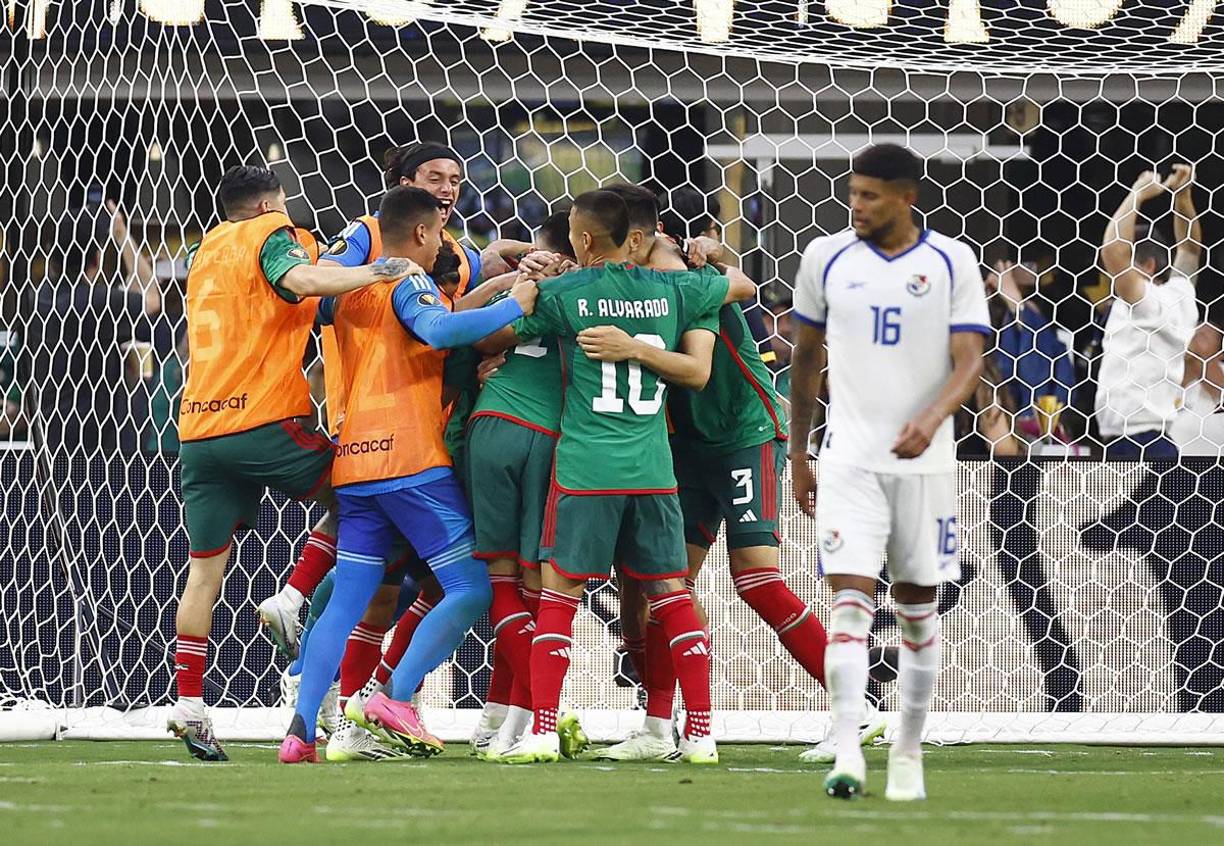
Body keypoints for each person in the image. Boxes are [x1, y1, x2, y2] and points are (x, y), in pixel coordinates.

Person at [493, 189, 752, 765]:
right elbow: (743, 287)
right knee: (672, 595)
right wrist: (706, 258)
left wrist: (523, 274)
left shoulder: (567, 294)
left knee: (559, 597)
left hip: (586, 469)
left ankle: (540, 732)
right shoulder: (674, 290)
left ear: (582, 239)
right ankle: (703, 733)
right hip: (654, 471)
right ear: (634, 238)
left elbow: (502, 328)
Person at [167, 165, 418, 762]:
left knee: (204, 572)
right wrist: (383, 268)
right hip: (264, 421)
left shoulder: (206, 251)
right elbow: (301, 278)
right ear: (266, 205)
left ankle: (189, 706)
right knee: (369, 494)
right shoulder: (271, 233)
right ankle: (295, 599)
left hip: (199, 428)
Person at [279, 186, 538, 763]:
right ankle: (393, 697)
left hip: (355, 462)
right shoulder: (411, 280)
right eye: (441, 234)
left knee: (347, 600)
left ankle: (299, 733)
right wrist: (517, 303)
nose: (445, 246)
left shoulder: (353, 286)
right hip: (410, 460)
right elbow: (440, 331)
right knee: (471, 587)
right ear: (422, 233)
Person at [788, 144, 989, 801]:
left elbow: (969, 362)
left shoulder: (951, 259)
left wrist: (931, 419)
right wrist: (799, 453)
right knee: (848, 604)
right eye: (853, 193)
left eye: (871, 195)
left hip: (925, 466)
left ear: (907, 197)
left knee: (917, 613)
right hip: (847, 458)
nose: (857, 205)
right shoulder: (826, 257)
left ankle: (908, 749)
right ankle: (847, 749)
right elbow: (804, 362)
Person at [463, 212, 580, 759]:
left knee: (503, 581)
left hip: (495, 425)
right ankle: (533, 716)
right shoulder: (597, 291)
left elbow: (470, 330)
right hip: (557, 438)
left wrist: (511, 283)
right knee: (538, 586)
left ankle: (509, 718)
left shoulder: (532, 291)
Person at [32, 200, 160, 455]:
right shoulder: (95, 300)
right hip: (92, 438)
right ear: (98, 257)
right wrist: (123, 235)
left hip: (46, 432)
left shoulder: (39, 297)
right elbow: (151, 296)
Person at [1095, 166, 1200, 458]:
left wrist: (1137, 194)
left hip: (1133, 444)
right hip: (1155, 442)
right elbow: (1190, 250)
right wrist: (1183, 196)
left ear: (1149, 266)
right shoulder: (1179, 296)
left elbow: (1114, 251)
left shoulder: (1146, 303)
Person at [1171, 321, 1224, 456]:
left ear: (1221, 353)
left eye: (1202, 337)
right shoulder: (1169, 374)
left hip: (1211, 467)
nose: (1193, 339)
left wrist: (1201, 359)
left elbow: (1220, 390)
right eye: (1193, 334)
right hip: (1162, 463)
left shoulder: (1219, 374)